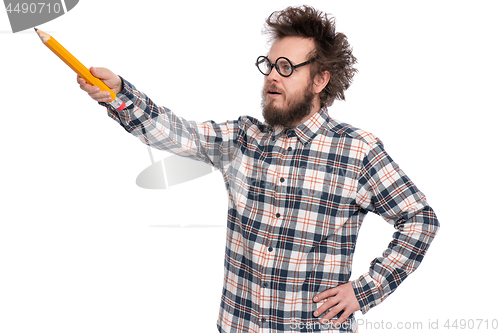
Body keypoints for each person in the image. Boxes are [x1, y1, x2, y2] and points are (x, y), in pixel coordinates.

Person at [77, 5, 439, 333]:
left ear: (320, 80)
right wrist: (120, 94)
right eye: (269, 65)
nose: (271, 77)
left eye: (286, 68)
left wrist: (364, 292)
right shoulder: (242, 138)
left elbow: (419, 219)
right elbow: (177, 132)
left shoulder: (357, 150)